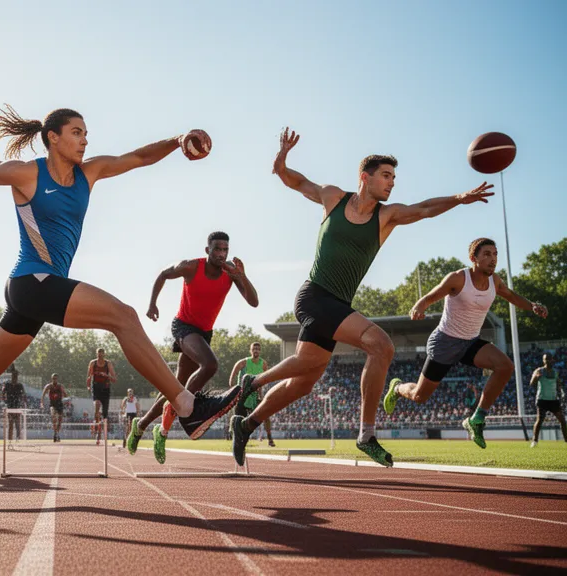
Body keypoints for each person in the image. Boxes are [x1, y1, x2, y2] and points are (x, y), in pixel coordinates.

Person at [0, 105, 238, 440]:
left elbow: (138, 157)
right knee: (123, 317)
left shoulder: (88, 173)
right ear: (53, 137)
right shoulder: (27, 174)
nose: (85, 139)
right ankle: (187, 406)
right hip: (31, 281)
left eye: (85, 133)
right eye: (77, 132)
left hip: (34, 292)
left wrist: (176, 141)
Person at [231, 127, 495, 468]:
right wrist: (281, 157)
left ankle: (246, 424)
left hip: (337, 304)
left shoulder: (387, 216)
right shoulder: (333, 198)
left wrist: (459, 198)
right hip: (313, 295)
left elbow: (426, 208)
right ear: (364, 177)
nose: (392, 182)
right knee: (381, 345)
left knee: (303, 383)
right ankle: (365, 433)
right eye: (386, 176)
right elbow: (292, 180)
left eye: (394, 178)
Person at [383, 238, 548, 448]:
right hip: (444, 343)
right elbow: (430, 296)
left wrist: (532, 306)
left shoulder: (494, 282)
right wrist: (418, 307)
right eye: (487, 254)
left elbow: (511, 296)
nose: (493, 259)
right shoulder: (458, 278)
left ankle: (476, 419)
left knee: (505, 366)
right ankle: (397, 388)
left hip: (470, 343)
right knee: (419, 396)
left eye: (495, 254)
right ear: (474, 258)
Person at [129, 231, 259, 463]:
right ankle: (189, 411)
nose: (221, 254)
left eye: (225, 250)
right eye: (217, 249)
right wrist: (152, 304)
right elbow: (163, 274)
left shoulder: (231, 272)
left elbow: (253, 301)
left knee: (175, 387)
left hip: (204, 333)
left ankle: (143, 425)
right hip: (183, 327)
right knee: (210, 365)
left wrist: (243, 276)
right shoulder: (191, 267)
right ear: (207, 250)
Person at [228, 342, 274, 447]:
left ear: (260, 351)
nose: (256, 350)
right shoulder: (243, 362)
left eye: (258, 349)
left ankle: (270, 438)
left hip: (254, 395)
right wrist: (233, 390)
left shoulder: (263, 364)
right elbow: (232, 376)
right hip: (243, 396)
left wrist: (260, 394)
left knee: (266, 414)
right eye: (254, 349)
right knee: (239, 418)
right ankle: (237, 438)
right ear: (250, 350)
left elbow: (263, 380)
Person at [529, 353, 566, 446]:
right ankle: (535, 441)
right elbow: (531, 383)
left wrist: (562, 392)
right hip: (542, 400)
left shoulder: (555, 372)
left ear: (552, 360)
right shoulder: (539, 370)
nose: (548, 361)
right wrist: (536, 378)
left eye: (549, 359)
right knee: (540, 420)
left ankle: (566, 440)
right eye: (546, 359)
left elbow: (558, 384)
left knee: (562, 420)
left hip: (553, 400)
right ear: (543, 360)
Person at [86, 348, 117, 444]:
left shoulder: (108, 364)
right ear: (96, 354)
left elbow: (114, 379)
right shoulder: (93, 363)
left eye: (101, 355)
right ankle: (98, 433)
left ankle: (103, 433)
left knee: (105, 414)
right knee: (96, 407)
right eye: (98, 355)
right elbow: (89, 376)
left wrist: (106, 375)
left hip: (106, 388)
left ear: (104, 355)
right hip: (96, 387)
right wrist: (88, 386)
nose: (99, 357)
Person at [3, 365, 26, 441]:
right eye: (14, 376)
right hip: (10, 405)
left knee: (17, 423)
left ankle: (18, 439)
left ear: (17, 377)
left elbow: (24, 394)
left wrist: (23, 402)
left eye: (16, 376)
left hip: (17, 405)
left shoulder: (20, 385)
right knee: (10, 423)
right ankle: (10, 439)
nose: (15, 378)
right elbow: (3, 392)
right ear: (12, 376)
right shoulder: (7, 384)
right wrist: (5, 401)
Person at [41, 373, 66, 442]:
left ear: (57, 379)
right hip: (52, 404)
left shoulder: (60, 386)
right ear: (51, 379)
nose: (55, 380)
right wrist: (42, 403)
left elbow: (65, 395)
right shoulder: (49, 386)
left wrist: (64, 394)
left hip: (59, 404)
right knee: (54, 417)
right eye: (53, 378)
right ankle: (55, 433)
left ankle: (57, 433)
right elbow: (43, 395)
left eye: (56, 378)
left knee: (60, 421)